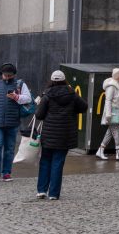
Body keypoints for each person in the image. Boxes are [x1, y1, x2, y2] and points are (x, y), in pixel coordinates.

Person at [34, 69, 87, 200]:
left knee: (45, 161)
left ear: (52, 81)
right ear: (64, 80)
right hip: (65, 135)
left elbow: (39, 115)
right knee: (58, 162)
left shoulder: (47, 95)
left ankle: (41, 190)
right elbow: (84, 107)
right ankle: (53, 194)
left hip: (49, 135)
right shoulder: (72, 93)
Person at [97, 67, 119, 160]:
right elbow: (108, 100)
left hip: (118, 112)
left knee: (110, 132)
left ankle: (100, 150)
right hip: (113, 113)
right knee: (117, 130)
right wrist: (108, 114)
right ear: (118, 76)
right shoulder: (111, 86)